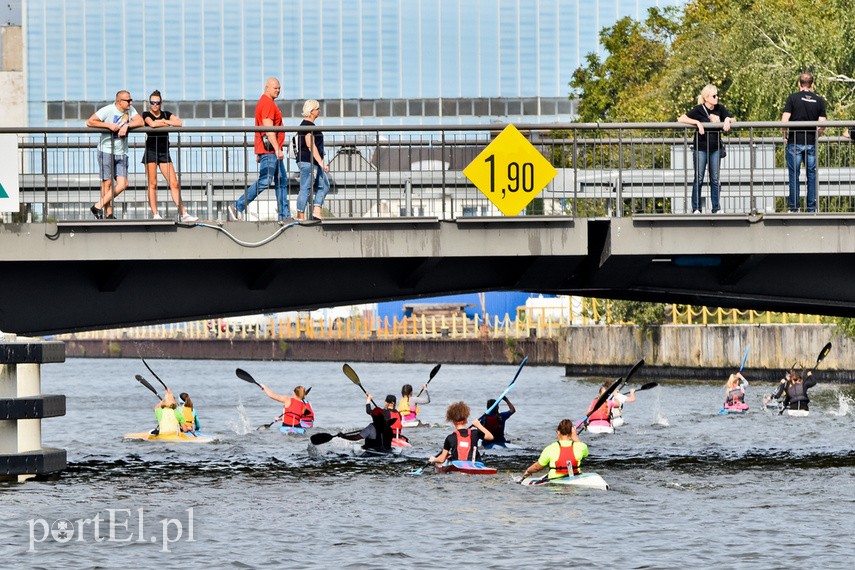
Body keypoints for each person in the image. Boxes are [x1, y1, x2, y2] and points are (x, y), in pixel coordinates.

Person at [228, 77, 291, 222]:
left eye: (279, 88)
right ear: (267, 87)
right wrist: (277, 149)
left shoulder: (266, 103)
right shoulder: (267, 103)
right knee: (265, 180)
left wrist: (259, 151)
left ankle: (285, 215)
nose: (278, 90)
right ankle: (238, 206)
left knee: (281, 181)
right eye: (275, 88)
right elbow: (268, 130)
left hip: (269, 150)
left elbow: (261, 130)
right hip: (271, 151)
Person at [86, 90, 144, 219]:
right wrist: (108, 126)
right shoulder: (108, 110)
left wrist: (127, 125)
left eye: (131, 100)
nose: (131, 102)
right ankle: (109, 213)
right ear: (119, 101)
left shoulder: (130, 110)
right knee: (107, 183)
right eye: (128, 100)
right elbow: (90, 122)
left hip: (122, 152)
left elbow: (140, 121)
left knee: (123, 184)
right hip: (106, 150)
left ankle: (97, 206)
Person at [141, 90, 197, 223]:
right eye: (152, 102)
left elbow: (179, 123)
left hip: (164, 152)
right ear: (149, 103)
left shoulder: (166, 114)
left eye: (157, 102)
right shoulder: (146, 114)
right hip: (151, 151)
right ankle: (155, 214)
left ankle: (183, 213)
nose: (155, 105)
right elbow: (152, 124)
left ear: (161, 103)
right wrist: (167, 123)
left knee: (174, 183)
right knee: (152, 183)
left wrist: (164, 120)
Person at [678, 84, 734, 214]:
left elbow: (733, 118)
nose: (717, 98)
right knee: (699, 177)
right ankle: (696, 208)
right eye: (714, 96)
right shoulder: (699, 109)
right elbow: (682, 118)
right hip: (701, 148)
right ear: (706, 97)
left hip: (715, 148)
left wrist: (726, 120)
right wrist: (697, 123)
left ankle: (716, 208)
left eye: (717, 95)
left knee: (715, 178)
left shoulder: (720, 108)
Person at [782, 71, 827, 213]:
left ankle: (794, 208)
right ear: (812, 85)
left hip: (794, 141)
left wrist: (785, 135)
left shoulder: (792, 98)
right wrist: (816, 135)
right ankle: (811, 208)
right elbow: (822, 125)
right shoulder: (819, 101)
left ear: (799, 84)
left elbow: (784, 121)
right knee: (811, 176)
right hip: (811, 143)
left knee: (794, 175)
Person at [294, 99, 330, 221]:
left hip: (311, 161)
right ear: (311, 111)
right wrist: (321, 162)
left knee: (324, 184)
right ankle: (300, 215)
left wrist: (320, 153)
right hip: (308, 161)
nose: (319, 111)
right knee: (306, 187)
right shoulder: (307, 126)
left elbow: (311, 145)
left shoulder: (307, 125)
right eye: (317, 108)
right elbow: (310, 145)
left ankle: (316, 210)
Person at [428, 401, 493, 465]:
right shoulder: (475, 433)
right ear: (466, 419)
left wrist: (433, 459)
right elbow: (490, 437)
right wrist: (479, 425)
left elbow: (441, 459)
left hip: (457, 465)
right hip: (475, 463)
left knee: (448, 456)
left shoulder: (450, 438)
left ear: (452, 421)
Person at [521, 419, 588, 481]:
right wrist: (575, 436)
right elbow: (585, 453)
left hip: (554, 483)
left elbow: (537, 467)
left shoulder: (550, 448)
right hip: (575, 478)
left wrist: (528, 471)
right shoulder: (581, 447)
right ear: (572, 432)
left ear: (558, 432)